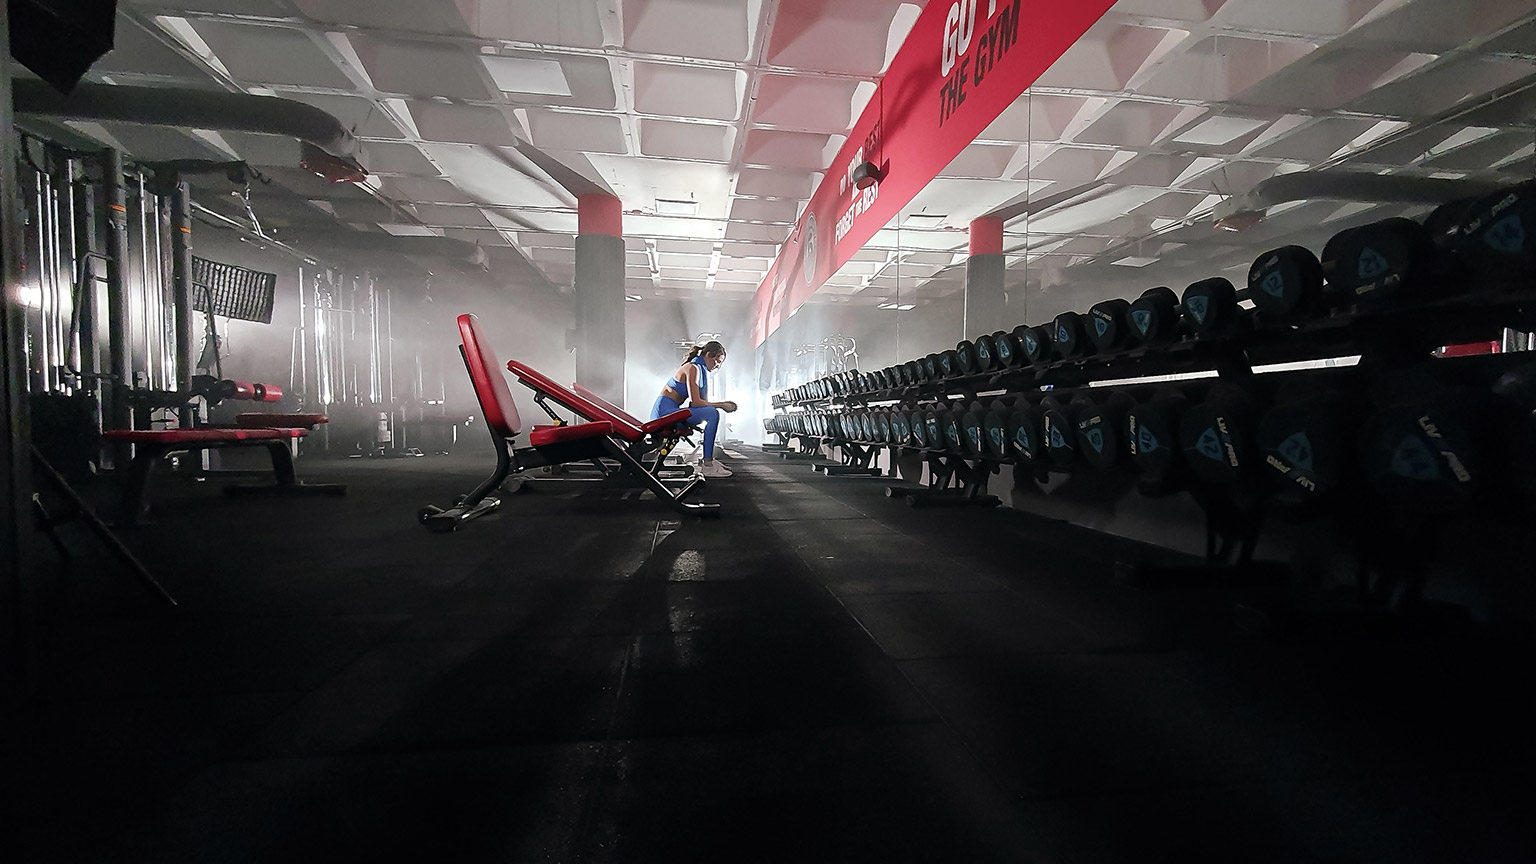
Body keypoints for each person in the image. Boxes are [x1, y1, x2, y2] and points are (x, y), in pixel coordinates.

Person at [652, 340, 737, 477]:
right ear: (708, 355)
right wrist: (721, 405)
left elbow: (696, 404)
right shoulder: (693, 368)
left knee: (709, 413)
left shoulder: (699, 369)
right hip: (663, 412)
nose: (717, 366)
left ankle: (708, 461)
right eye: (717, 361)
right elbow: (697, 403)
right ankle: (707, 464)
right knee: (712, 413)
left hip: (671, 411)